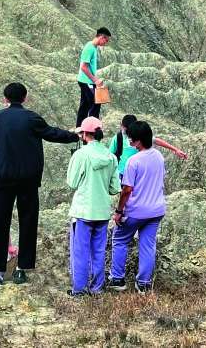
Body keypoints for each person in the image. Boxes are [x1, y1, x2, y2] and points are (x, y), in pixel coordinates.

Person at [0, 82, 79, 285]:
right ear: (25, 98)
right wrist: (74, 135)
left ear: (5, 98)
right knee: (28, 222)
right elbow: (52, 134)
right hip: (28, 180)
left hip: (2, 179)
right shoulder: (32, 118)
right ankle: (21, 269)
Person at [108, 121, 166, 295]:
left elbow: (127, 190)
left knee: (120, 240)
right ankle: (144, 284)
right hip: (156, 210)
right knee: (148, 245)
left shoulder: (133, 161)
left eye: (131, 138)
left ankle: (117, 279)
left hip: (136, 211)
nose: (129, 141)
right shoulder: (159, 156)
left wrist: (119, 211)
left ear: (138, 141)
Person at [66, 117, 121, 297]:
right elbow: (114, 188)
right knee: (99, 251)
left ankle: (79, 289)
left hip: (83, 210)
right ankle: (97, 288)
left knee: (80, 252)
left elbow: (72, 182)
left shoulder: (81, 154)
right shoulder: (111, 157)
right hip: (102, 211)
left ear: (84, 134)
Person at [110, 114, 188, 178]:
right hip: (123, 172)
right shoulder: (118, 137)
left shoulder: (139, 136)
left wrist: (175, 150)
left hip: (139, 172)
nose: (122, 128)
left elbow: (157, 141)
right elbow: (110, 154)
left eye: (123, 127)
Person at [76, 27, 112, 127]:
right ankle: (92, 129)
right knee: (95, 103)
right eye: (106, 40)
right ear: (101, 37)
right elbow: (84, 67)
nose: (106, 43)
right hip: (86, 81)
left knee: (84, 105)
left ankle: (80, 128)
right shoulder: (90, 48)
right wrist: (95, 80)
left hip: (86, 81)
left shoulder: (93, 47)